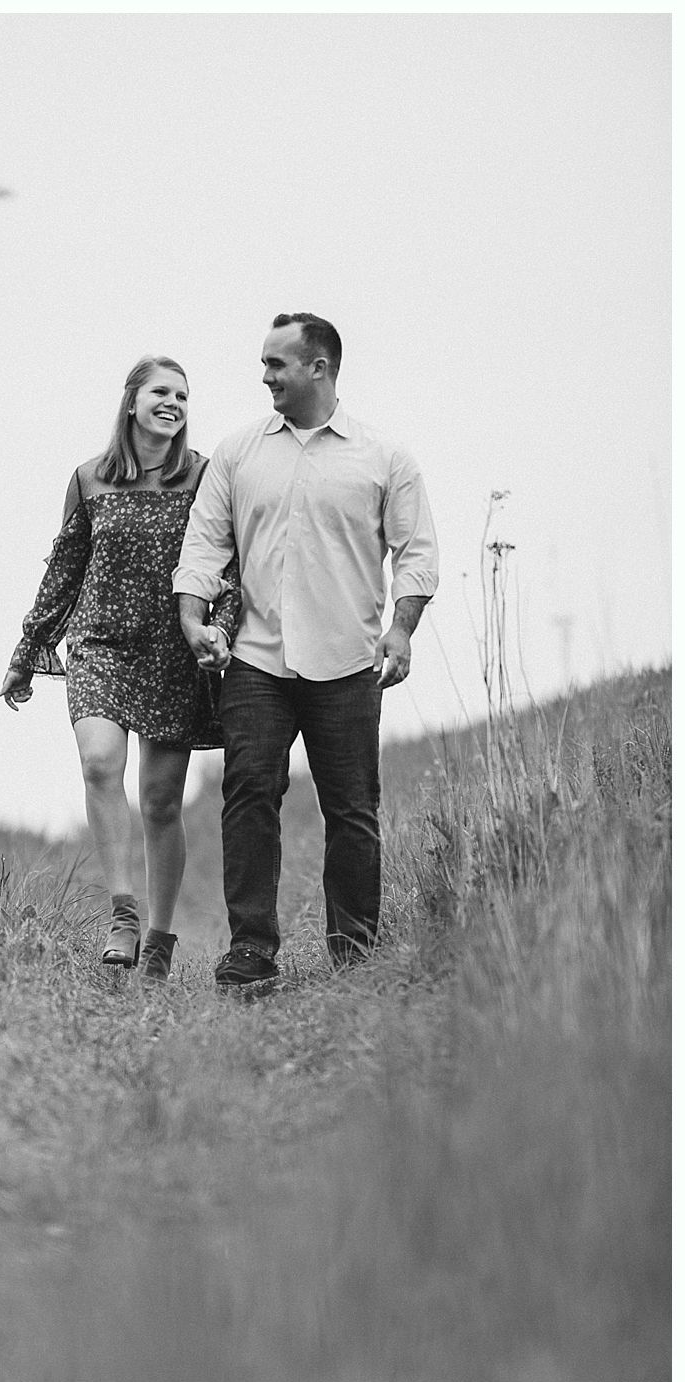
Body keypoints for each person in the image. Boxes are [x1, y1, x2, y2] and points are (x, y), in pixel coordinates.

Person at [174, 313, 439, 989]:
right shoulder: (237, 453)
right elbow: (205, 544)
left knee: (351, 807)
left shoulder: (384, 457)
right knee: (248, 794)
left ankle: (354, 949)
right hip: (256, 660)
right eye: (264, 364)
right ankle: (251, 949)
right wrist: (193, 618)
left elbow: (417, 553)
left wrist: (401, 628)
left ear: (318, 368)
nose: (264, 376)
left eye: (276, 364)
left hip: (348, 661)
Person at [0, 356, 238, 981]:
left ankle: (159, 939)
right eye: (162, 392)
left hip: (172, 650)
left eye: (184, 396)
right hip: (101, 644)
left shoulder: (204, 477)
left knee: (160, 802)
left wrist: (221, 629)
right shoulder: (88, 479)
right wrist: (28, 653)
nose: (175, 403)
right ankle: (123, 913)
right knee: (100, 761)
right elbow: (64, 569)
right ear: (131, 401)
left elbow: (228, 565)